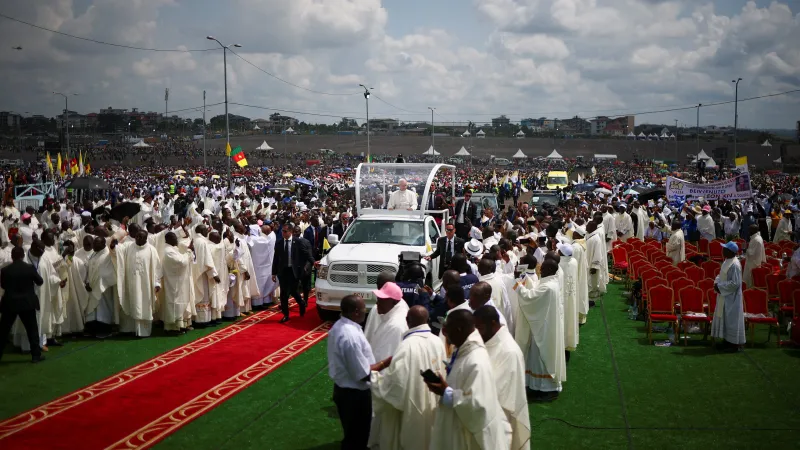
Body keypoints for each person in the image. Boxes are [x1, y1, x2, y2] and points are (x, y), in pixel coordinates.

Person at [425, 309, 510, 450]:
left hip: (467, 436)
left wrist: (446, 392)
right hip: (455, 424)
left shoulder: (476, 360)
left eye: (448, 329)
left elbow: (478, 406)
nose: (444, 333)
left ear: (459, 330)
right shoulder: (464, 350)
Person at [369, 306, 446, 450]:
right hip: (433, 407)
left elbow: (394, 388)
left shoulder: (405, 346)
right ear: (427, 320)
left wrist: (374, 378)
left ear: (407, 321)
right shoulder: (437, 341)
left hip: (411, 413)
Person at [327, 295, 391, 450]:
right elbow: (362, 374)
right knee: (357, 439)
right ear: (356, 312)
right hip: (354, 396)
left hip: (346, 392)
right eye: (363, 309)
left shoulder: (341, 326)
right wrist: (386, 363)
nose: (365, 311)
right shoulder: (350, 337)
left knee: (354, 435)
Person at [473, 305, 531, 450]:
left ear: (493, 324)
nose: (477, 333)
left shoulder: (509, 351)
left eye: (479, 328)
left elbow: (499, 392)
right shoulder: (491, 340)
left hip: (502, 419)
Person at [514, 259, 566, 402]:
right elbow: (535, 287)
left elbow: (529, 297)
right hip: (545, 326)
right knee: (537, 358)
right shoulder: (551, 282)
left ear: (549, 270)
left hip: (544, 329)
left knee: (542, 357)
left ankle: (547, 389)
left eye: (543, 268)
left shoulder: (548, 287)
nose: (540, 270)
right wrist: (524, 278)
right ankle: (537, 386)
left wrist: (516, 283)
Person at [0, 246, 45, 363]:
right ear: (23, 256)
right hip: (27, 303)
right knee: (32, 330)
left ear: (12, 256)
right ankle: (36, 355)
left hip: (10, 303)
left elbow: (3, 286)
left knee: (3, 332)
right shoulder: (29, 268)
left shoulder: (5, 270)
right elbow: (40, 281)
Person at [114, 230, 162, 337]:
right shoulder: (128, 246)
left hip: (146, 285)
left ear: (146, 238)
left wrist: (157, 283)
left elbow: (157, 269)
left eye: (141, 237)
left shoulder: (151, 250)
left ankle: (143, 332)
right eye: (137, 236)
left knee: (144, 305)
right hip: (131, 283)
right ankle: (129, 329)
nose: (138, 239)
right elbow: (118, 250)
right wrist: (114, 245)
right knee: (131, 302)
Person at [271, 223, 313, 323]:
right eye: (282, 231)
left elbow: (306, 254)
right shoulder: (279, 243)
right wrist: (274, 273)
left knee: (293, 291)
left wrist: (313, 262)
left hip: (294, 271)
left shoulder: (297, 242)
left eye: (285, 231)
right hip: (283, 271)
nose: (283, 233)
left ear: (290, 232)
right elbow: (276, 259)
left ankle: (301, 303)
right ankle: (286, 315)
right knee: (283, 294)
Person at [712, 242, 746, 352]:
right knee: (725, 318)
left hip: (732, 298)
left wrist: (720, 287)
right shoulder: (727, 261)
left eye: (725, 249)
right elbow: (721, 275)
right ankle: (726, 341)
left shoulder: (735, 264)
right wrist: (716, 283)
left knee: (731, 319)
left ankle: (733, 344)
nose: (722, 250)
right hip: (724, 295)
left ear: (730, 251)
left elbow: (735, 283)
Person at [364, 281, 410, 362]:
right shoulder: (390, 315)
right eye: (378, 299)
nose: (377, 303)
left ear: (394, 301)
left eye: (381, 299)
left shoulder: (396, 326)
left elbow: (386, 361)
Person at [161, 231, 195, 333]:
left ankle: (181, 325)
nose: (177, 240)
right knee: (174, 303)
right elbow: (181, 262)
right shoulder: (168, 251)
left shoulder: (173, 250)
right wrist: (189, 251)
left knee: (180, 304)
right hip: (173, 283)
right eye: (174, 238)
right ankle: (173, 327)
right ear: (168, 240)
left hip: (179, 281)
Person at [85, 236, 117, 338]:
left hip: (104, 287)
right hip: (92, 286)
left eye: (96, 244)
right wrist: (87, 282)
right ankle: (92, 330)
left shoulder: (108, 254)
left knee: (103, 309)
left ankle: (105, 330)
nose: (93, 245)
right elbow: (90, 269)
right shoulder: (93, 254)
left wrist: (113, 247)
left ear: (103, 244)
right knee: (93, 310)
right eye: (94, 243)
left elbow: (114, 261)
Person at [557, 242, 580, 357]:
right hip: (571, 296)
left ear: (561, 253)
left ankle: (562, 345)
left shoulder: (559, 264)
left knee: (562, 320)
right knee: (570, 319)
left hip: (561, 298)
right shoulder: (574, 261)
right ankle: (568, 344)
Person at [248, 224, 277, 310]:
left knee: (259, 284)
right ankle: (262, 302)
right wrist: (272, 231)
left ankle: (259, 303)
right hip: (264, 267)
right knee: (263, 284)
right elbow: (270, 237)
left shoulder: (252, 240)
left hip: (256, 267)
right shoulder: (266, 239)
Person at [570, 226, 590, 325]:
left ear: (576, 235)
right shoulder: (580, 244)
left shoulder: (575, 247)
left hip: (576, 274)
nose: (572, 234)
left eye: (574, 233)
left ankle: (577, 317)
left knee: (578, 294)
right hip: (580, 273)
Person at [585, 222, 608, 302]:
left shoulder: (596, 238)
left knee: (592, 282)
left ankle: (592, 300)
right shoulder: (589, 235)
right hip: (587, 261)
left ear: (592, 227)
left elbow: (598, 253)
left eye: (587, 225)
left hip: (592, 264)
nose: (586, 226)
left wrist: (594, 266)